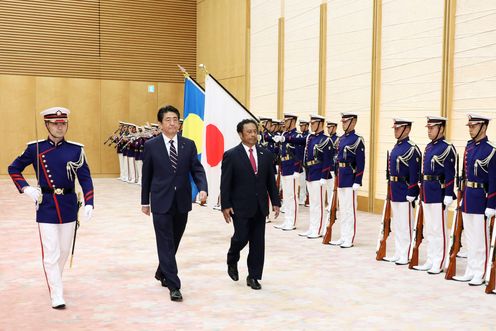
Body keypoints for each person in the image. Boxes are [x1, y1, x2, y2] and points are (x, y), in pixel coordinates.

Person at [8, 106, 94, 309]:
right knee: (52, 252)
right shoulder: (35, 148)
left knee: (64, 250)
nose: (59, 127)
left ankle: (56, 279)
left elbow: (86, 179)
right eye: (55, 123)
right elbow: (13, 169)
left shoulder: (76, 150)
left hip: (68, 205)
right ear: (47, 125)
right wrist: (26, 188)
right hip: (46, 205)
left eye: (63, 123)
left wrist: (89, 202)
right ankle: (56, 293)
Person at [141, 105, 207, 302]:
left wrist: (202, 187)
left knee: (174, 240)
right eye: (168, 120)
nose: (172, 123)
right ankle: (174, 284)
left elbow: (197, 169)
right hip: (160, 200)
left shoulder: (189, 144)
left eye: (175, 119)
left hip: (182, 201)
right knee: (165, 241)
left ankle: (162, 271)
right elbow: (147, 175)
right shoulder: (151, 145)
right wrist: (145, 201)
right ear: (160, 124)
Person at [221, 119, 281, 290]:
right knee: (241, 237)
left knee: (257, 242)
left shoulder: (266, 154)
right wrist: (226, 205)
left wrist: (275, 202)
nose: (253, 134)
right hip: (239, 206)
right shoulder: (231, 155)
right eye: (249, 131)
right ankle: (232, 257)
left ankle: (254, 276)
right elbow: (225, 183)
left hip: (260, 206)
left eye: (255, 131)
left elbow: (270, 181)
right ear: (241, 134)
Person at [453, 114, 495, 285]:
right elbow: (465, 175)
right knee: (470, 237)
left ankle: (480, 271)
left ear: (483, 127)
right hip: (469, 197)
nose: (470, 129)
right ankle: (471, 269)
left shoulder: (491, 150)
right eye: (469, 126)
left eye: (473, 126)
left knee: (480, 239)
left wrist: (492, 204)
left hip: (481, 199)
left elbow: (494, 180)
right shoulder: (469, 147)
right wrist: (462, 197)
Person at [413, 116, 456, 274]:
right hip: (427, 192)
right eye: (428, 128)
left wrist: (449, 193)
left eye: (432, 128)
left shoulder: (447, 148)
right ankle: (431, 259)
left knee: (439, 229)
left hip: (439, 192)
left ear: (441, 128)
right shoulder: (429, 147)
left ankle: (439, 261)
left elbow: (451, 173)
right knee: (430, 229)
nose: (429, 131)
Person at [383, 119, 421, 265]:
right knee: (398, 224)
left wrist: (412, 191)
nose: (395, 131)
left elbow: (414, 173)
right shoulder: (396, 147)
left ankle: (406, 253)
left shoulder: (412, 149)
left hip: (405, 191)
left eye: (398, 128)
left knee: (405, 225)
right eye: (395, 128)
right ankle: (399, 252)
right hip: (395, 190)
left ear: (407, 129)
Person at [330, 112, 365, 248]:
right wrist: (335, 172)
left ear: (353, 122)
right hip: (341, 177)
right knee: (343, 209)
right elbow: (337, 158)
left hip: (350, 178)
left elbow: (361, 162)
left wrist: (358, 180)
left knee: (350, 210)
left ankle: (349, 237)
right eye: (343, 121)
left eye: (346, 121)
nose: (343, 123)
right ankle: (343, 236)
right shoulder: (341, 139)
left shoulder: (357, 140)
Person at [299, 115, 333, 239]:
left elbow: (327, 160)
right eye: (311, 123)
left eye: (314, 123)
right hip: (310, 173)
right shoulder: (310, 138)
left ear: (320, 123)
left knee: (318, 204)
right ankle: (312, 227)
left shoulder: (326, 140)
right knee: (313, 204)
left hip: (319, 174)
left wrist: (324, 176)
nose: (311, 125)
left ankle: (318, 229)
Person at [273, 113, 307, 231]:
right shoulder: (284, 134)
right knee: (286, 196)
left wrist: (297, 170)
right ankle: (287, 219)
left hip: (293, 168)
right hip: (285, 167)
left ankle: (292, 221)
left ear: (292, 121)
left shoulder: (297, 136)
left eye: (286, 120)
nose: (284, 122)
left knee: (292, 196)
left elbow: (299, 154)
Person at [324, 120, 339, 215]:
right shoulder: (327, 139)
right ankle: (330, 203)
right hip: (327, 166)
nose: (328, 129)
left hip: (333, 166)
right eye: (328, 128)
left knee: (332, 187)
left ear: (334, 128)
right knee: (328, 187)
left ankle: (334, 205)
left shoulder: (338, 139)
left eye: (330, 127)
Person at [296, 120, 310, 206]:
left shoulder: (309, 136)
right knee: (301, 182)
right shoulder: (300, 135)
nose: (301, 127)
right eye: (300, 126)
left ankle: (306, 199)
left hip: (307, 163)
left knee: (307, 182)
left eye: (302, 126)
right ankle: (302, 198)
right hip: (301, 162)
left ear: (306, 126)